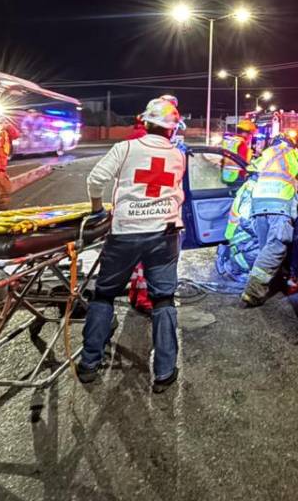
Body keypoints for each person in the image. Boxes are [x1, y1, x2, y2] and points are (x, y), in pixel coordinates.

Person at [78, 96, 186, 391]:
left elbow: (95, 179)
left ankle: (89, 364)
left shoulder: (125, 148)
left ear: (145, 122)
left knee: (104, 295)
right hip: (165, 235)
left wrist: (97, 209)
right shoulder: (179, 156)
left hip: (125, 234)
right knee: (164, 300)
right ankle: (164, 373)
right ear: (171, 129)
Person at [241, 133, 298, 307]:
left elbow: (251, 174)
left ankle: (274, 284)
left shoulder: (266, 154)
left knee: (266, 249)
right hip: (279, 205)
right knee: (276, 247)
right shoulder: (295, 155)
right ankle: (253, 291)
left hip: (258, 205)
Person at [221, 119, 257, 183]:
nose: (250, 137)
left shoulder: (229, 141)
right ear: (246, 133)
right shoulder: (242, 143)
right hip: (237, 176)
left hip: (226, 173)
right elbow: (243, 161)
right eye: (251, 134)